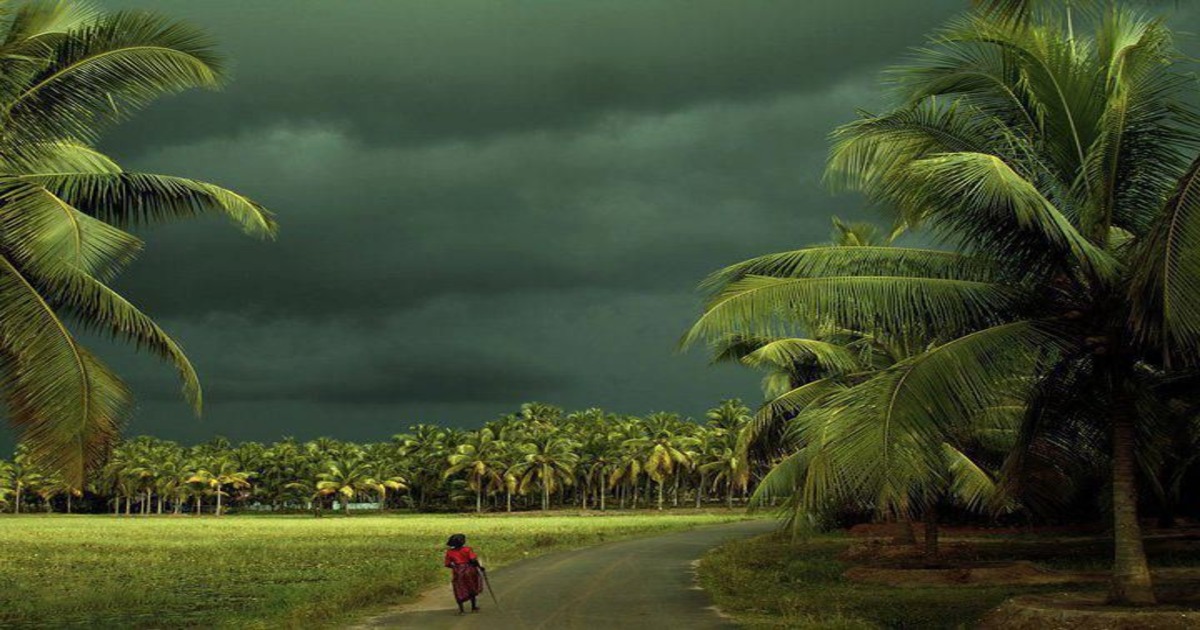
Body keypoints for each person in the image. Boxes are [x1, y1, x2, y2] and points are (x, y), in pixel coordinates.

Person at [444, 533, 485, 614]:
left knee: (459, 588)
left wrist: (456, 567)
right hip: (469, 570)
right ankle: (473, 607)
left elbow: (447, 564)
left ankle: (461, 610)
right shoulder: (467, 549)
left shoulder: (449, 552)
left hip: (458, 571)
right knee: (471, 586)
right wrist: (480, 567)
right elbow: (473, 560)